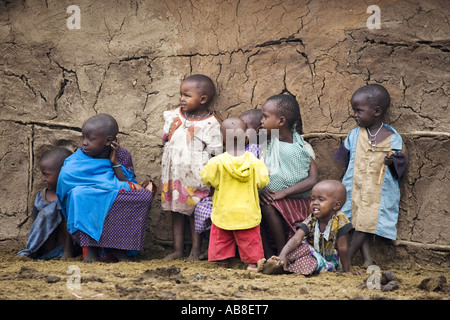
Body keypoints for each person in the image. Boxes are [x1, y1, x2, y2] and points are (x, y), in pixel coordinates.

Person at [57, 113, 155, 263]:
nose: (84, 143)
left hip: (113, 194)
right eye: (83, 137)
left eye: (90, 139)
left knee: (144, 196)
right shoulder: (79, 157)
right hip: (88, 195)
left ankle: (119, 248)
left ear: (108, 140)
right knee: (78, 195)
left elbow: (127, 182)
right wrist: (105, 187)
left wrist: (114, 162)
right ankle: (90, 247)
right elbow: (66, 178)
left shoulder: (122, 155)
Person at [334, 84, 407, 267]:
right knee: (356, 223)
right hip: (355, 187)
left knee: (367, 222)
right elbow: (344, 157)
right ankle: (367, 259)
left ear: (376, 111)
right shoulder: (354, 135)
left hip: (378, 192)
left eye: (359, 111)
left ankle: (347, 260)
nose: (355, 115)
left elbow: (401, 161)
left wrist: (393, 161)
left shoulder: (392, 137)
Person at [161, 74, 222, 261]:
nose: (182, 99)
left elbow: (216, 152)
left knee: (195, 212)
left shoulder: (211, 124)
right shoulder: (174, 116)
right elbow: (165, 137)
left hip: (196, 177)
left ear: (203, 99)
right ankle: (178, 249)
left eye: (187, 95)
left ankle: (196, 249)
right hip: (173, 174)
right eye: (181, 94)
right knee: (176, 211)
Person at [200, 117, 269, 270]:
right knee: (250, 239)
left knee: (222, 238)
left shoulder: (217, 162)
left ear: (221, 140)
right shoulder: (254, 162)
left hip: (224, 210)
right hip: (247, 210)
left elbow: (206, 178)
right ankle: (252, 263)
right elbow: (262, 182)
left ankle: (223, 262)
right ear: (246, 139)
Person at [259, 94, 319, 258]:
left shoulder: (302, 148)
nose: (261, 121)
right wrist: (262, 189)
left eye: (265, 117)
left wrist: (284, 192)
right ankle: (265, 252)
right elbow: (258, 172)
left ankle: (281, 250)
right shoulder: (267, 146)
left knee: (267, 205)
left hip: (296, 200)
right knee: (256, 205)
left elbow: (313, 179)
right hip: (271, 197)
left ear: (281, 121)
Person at [257, 180, 356, 275]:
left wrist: (346, 270)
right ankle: (277, 263)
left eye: (321, 199)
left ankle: (280, 269)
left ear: (336, 205)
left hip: (328, 262)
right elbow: (296, 239)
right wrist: (282, 255)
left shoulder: (340, 220)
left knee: (310, 263)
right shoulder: (312, 218)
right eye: (313, 199)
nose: (315, 203)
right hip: (311, 255)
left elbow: (343, 248)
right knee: (300, 248)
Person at [18, 147, 76, 260]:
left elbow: (69, 226)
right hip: (44, 248)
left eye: (47, 175)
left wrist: (68, 252)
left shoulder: (69, 196)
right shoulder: (41, 196)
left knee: (61, 210)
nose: (43, 179)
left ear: (63, 173)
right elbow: (37, 226)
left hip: (64, 248)